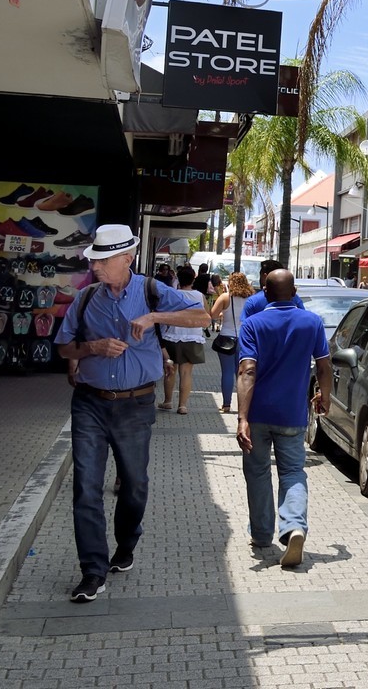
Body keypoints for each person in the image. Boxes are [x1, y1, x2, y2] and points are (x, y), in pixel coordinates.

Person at [51, 225, 210, 603]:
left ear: (127, 258)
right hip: (90, 402)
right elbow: (63, 349)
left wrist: (155, 318)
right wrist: (92, 347)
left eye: (103, 261)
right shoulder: (87, 297)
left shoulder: (152, 291)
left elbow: (202, 317)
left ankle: (126, 544)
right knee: (86, 487)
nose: (97, 267)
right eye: (94, 260)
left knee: (134, 484)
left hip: (136, 405)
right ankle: (92, 570)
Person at [236, 270, 332, 568]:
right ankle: (293, 527)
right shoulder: (312, 322)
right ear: (294, 292)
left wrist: (241, 417)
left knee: (258, 473)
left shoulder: (252, 324)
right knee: (292, 472)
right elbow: (325, 366)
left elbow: (247, 371)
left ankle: (263, 535)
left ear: (265, 292)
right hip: (292, 414)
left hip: (258, 414)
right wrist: (324, 396)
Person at [158, 265, 207, 414]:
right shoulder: (200, 296)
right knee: (186, 372)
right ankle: (183, 405)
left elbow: (164, 312)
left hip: (172, 335)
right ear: (193, 279)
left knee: (170, 370)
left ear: (178, 279)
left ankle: (167, 401)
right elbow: (207, 314)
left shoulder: (172, 294)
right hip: (193, 336)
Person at [209, 271, 251, 413]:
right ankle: (243, 407)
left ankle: (226, 405)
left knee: (226, 373)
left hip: (227, 337)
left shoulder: (225, 298)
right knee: (242, 375)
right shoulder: (251, 299)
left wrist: (222, 314)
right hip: (245, 339)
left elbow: (212, 315)